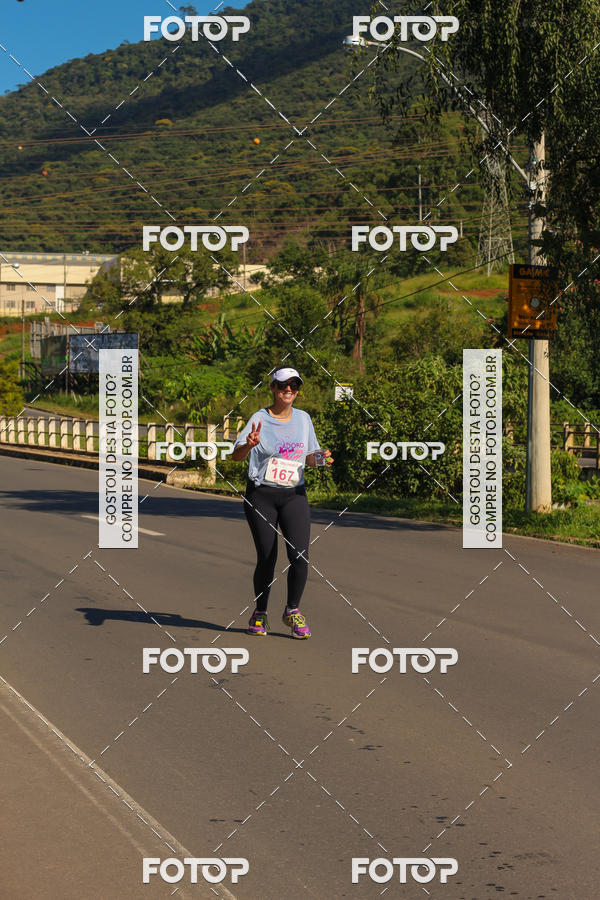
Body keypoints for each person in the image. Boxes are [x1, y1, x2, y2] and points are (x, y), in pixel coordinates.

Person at [232, 368, 333, 638]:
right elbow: (236, 457)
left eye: (294, 385)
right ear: (273, 388)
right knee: (268, 557)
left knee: (300, 556)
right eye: (282, 385)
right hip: (261, 495)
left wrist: (323, 458)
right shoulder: (259, 418)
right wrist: (248, 445)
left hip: (294, 495)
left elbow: (309, 458)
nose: (288, 389)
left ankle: (292, 611)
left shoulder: (303, 419)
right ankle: (260, 613)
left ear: (298, 390)